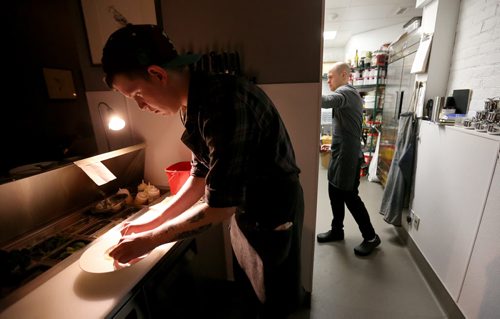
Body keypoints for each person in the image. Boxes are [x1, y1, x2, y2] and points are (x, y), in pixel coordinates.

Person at [102, 24, 305, 318]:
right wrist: (152, 222)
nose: (141, 106)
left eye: (136, 95)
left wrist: (149, 240)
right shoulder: (192, 104)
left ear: (158, 74)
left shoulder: (225, 102)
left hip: (272, 210)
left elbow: (219, 208)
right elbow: (200, 177)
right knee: (251, 291)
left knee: (274, 301)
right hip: (245, 210)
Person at [316, 62, 381, 256]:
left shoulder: (347, 92)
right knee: (334, 192)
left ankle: (371, 237)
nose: (328, 80)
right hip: (339, 154)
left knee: (350, 197)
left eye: (330, 76)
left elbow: (326, 101)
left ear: (344, 75)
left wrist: (308, 89)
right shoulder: (345, 94)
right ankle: (337, 230)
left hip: (348, 157)